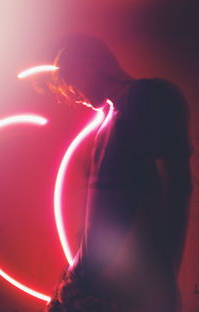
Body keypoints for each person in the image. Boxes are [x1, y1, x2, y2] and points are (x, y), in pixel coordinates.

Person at [45, 34, 193, 312]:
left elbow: (177, 186)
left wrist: (165, 275)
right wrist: (74, 271)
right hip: (89, 280)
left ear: (88, 65)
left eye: (72, 82)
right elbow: (101, 214)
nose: (75, 95)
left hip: (124, 286)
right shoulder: (107, 121)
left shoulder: (148, 96)